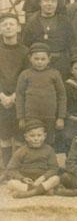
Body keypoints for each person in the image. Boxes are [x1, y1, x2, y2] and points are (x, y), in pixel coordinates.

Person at [16, 43, 67, 146]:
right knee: (32, 141)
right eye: (36, 58)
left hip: (50, 117)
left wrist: (61, 117)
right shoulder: (25, 74)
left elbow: (62, 96)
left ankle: (46, 161)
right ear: (30, 58)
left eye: (43, 59)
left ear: (49, 59)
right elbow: (20, 96)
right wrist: (21, 117)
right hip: (31, 116)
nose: (39, 62)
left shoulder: (54, 74)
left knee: (49, 142)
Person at [22, 0, 75, 79]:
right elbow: (26, 45)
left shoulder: (65, 22)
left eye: (53, 0)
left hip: (61, 67)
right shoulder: (31, 22)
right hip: (38, 66)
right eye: (46, 0)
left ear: (57, 3)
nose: (49, 4)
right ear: (39, 2)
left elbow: (71, 45)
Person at [0, 13, 28, 167]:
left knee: (19, 134)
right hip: (1, 98)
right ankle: (5, 167)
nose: (8, 27)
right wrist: (2, 96)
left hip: (19, 98)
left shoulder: (25, 51)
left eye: (11, 24)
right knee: (4, 133)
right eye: (4, 24)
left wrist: (15, 96)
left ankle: (16, 168)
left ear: (18, 28)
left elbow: (27, 76)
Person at [5, 119, 60, 198]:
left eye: (39, 135)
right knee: (11, 183)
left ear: (44, 136)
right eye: (32, 136)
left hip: (43, 180)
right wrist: (22, 178)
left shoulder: (49, 150)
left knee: (56, 179)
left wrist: (43, 177)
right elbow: (11, 169)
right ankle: (42, 190)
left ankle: (29, 193)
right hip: (27, 182)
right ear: (26, 137)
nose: (36, 138)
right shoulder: (21, 151)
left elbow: (54, 168)